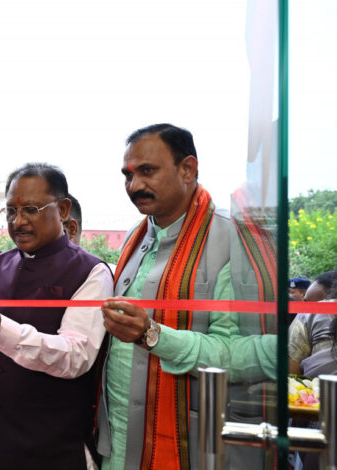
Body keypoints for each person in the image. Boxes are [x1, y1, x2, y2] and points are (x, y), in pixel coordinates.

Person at [98, 123, 276, 469]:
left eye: (147, 171)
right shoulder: (137, 238)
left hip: (194, 448)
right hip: (119, 445)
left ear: (188, 169)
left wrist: (153, 335)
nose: (134, 186)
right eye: (127, 175)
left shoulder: (234, 239)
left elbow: (260, 354)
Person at [0, 163, 113, 470]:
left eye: (31, 209)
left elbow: (75, 357)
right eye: (11, 210)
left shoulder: (90, 272)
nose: (19, 221)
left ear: (63, 209)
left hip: (47, 449)